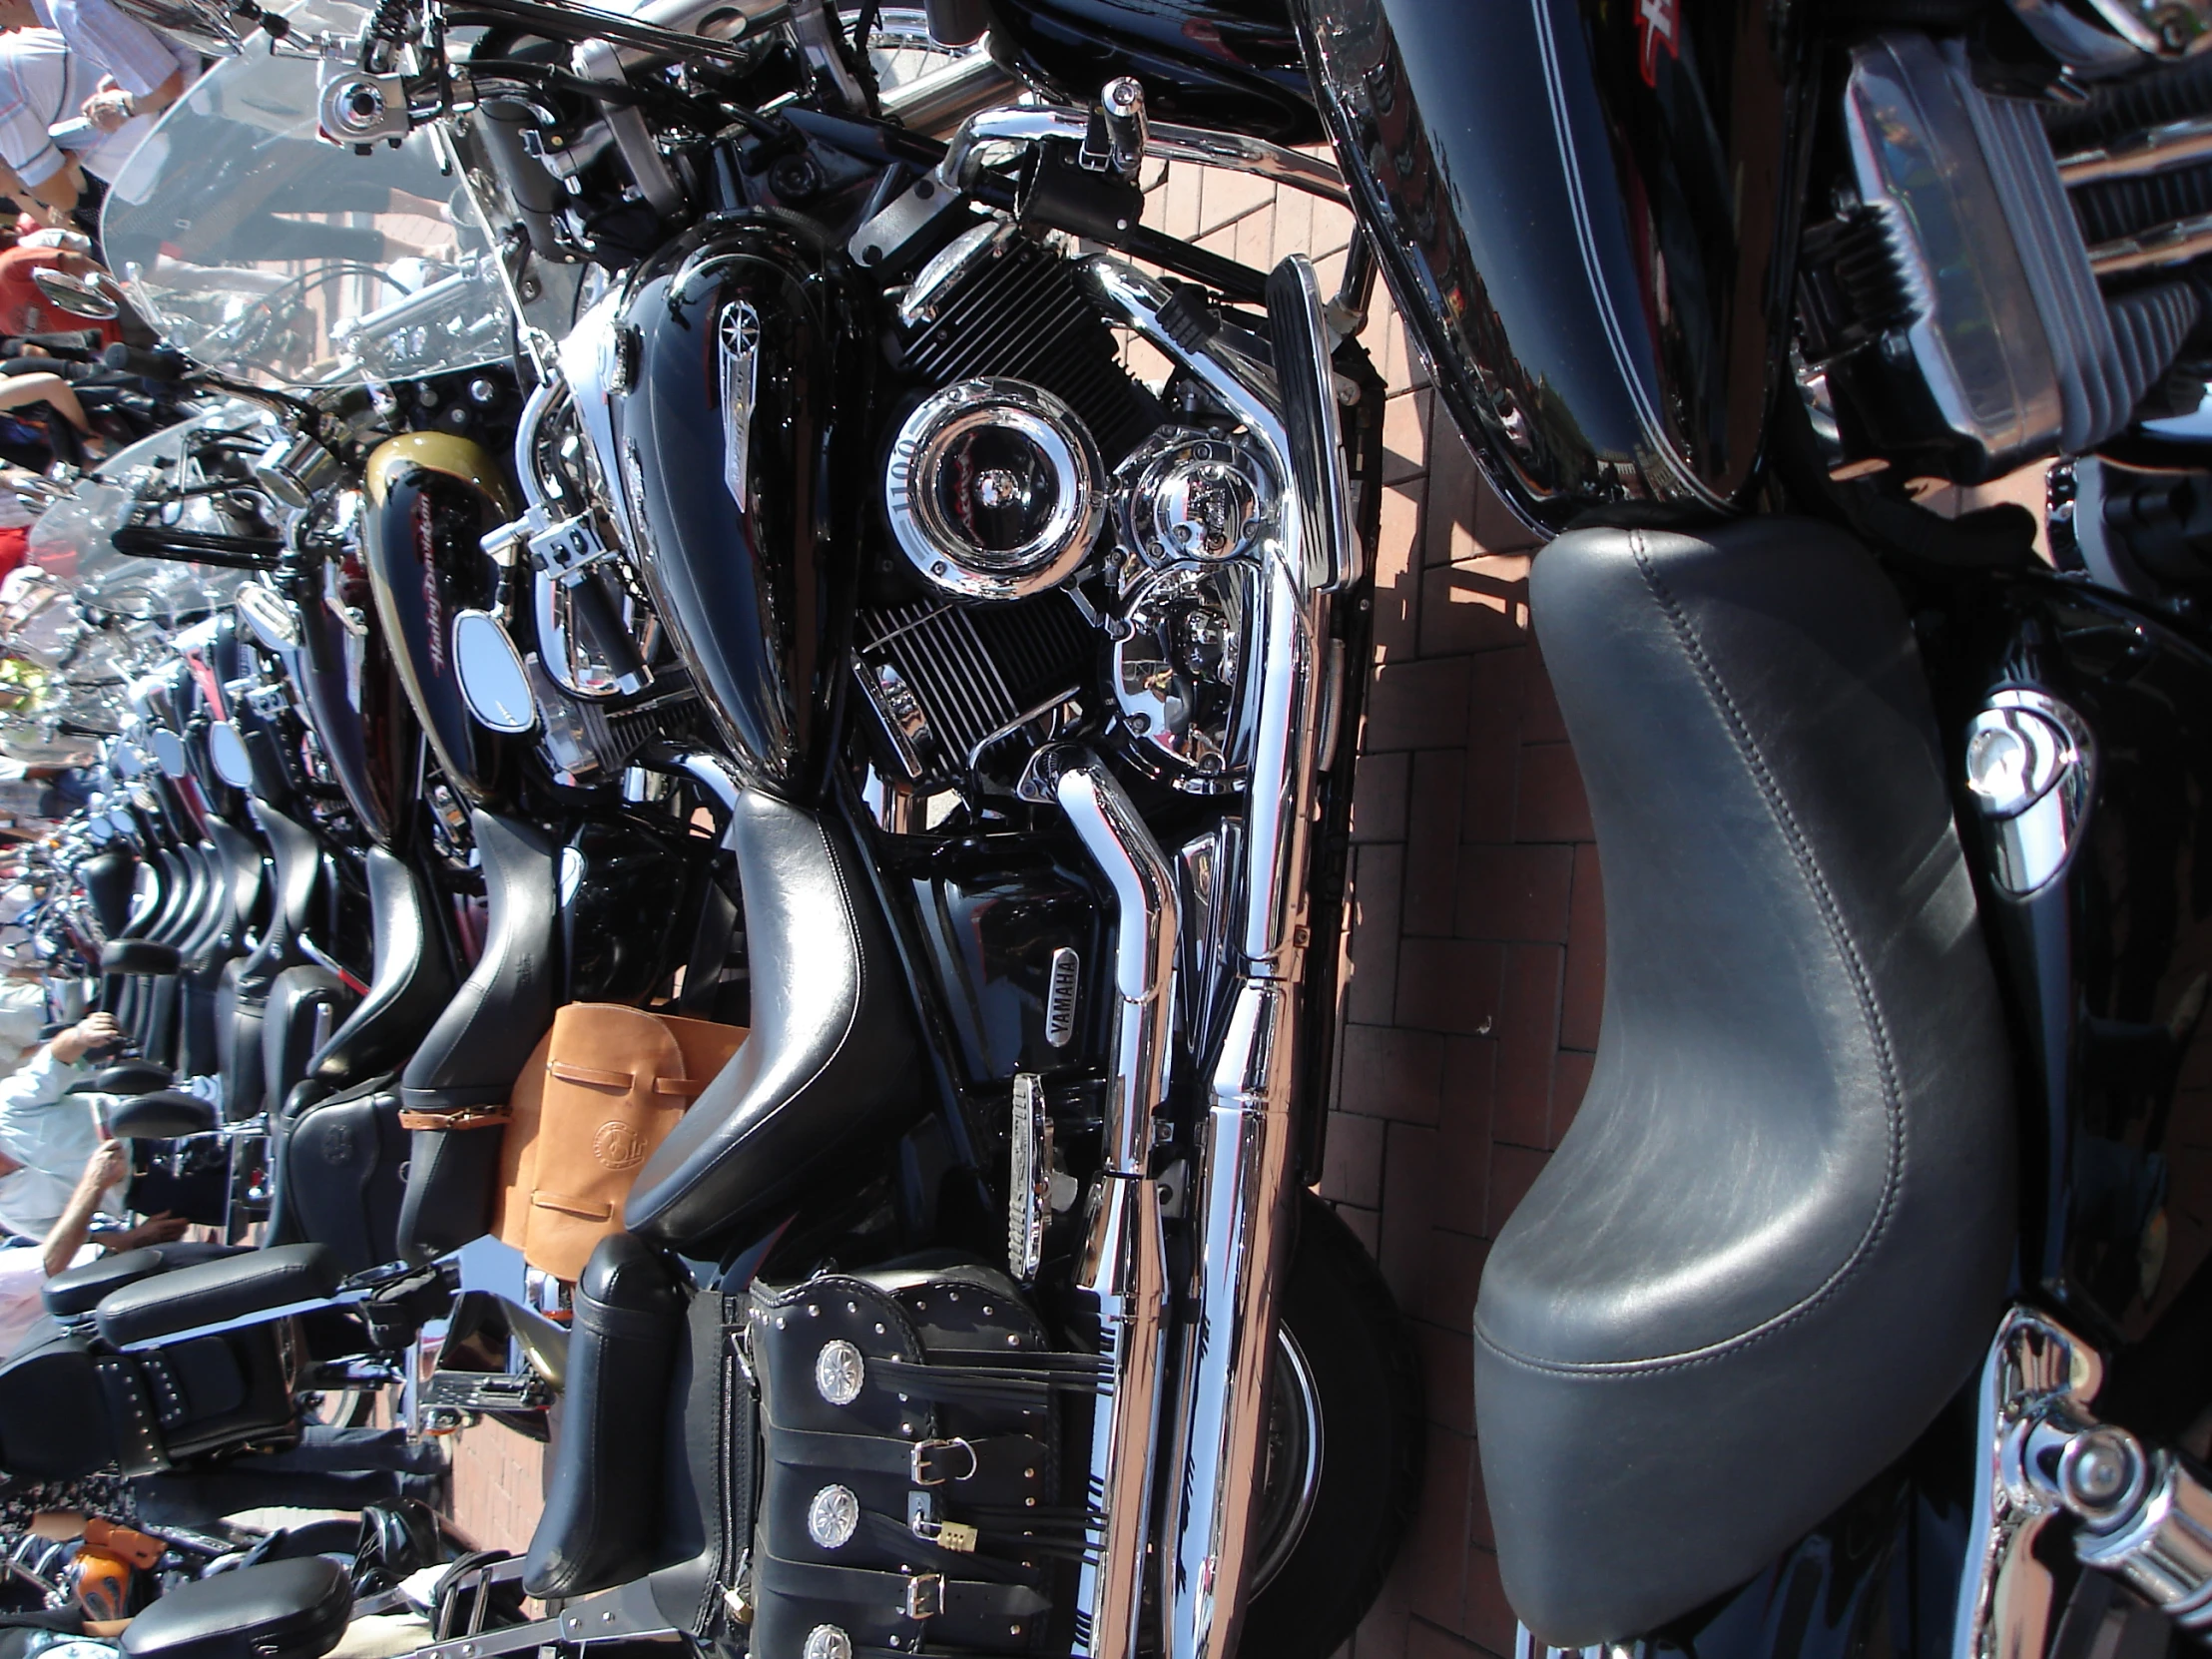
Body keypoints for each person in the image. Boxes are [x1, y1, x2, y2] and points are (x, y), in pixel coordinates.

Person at [0, 1137, 184, 1360]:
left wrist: (133, 1239)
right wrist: (94, 1182)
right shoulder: (10, 1214)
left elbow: (74, 1248)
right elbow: (51, 1263)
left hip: (121, 1328)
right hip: (132, 1282)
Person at [0, 1010, 131, 1237]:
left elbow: (54, 1061)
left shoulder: (7, 1108)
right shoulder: (10, 1214)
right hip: (143, 1192)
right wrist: (133, 1238)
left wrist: (80, 1035)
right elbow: (72, 1244)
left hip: (138, 1124)